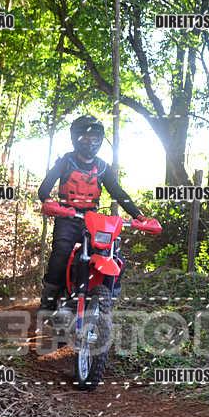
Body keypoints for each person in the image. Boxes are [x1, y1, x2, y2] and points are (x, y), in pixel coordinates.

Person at [37, 114, 154, 310]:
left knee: (113, 254)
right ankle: (47, 302)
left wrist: (139, 216)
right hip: (67, 217)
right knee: (60, 254)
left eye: (94, 138)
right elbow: (44, 190)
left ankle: (108, 296)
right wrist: (50, 203)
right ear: (75, 138)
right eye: (85, 137)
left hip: (92, 220)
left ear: (100, 140)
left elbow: (118, 192)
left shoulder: (102, 167)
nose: (89, 142)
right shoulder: (65, 161)